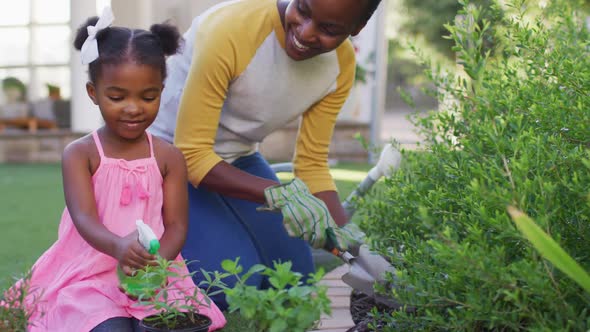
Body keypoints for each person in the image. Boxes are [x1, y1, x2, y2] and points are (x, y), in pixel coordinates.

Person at [5, 8, 226, 331]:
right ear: (94, 93)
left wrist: (156, 269)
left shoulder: (169, 157)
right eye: (117, 96)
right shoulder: (80, 154)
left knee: (172, 323)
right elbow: (84, 219)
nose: (133, 108)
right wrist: (119, 247)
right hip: (90, 272)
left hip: (156, 269)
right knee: (110, 327)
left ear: (161, 92)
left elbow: (177, 225)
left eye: (147, 96)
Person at [149, 0, 378, 310]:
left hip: (236, 156)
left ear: (357, 28)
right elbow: (192, 155)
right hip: (167, 156)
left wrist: (350, 244)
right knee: (227, 282)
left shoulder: (340, 65)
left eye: (328, 29)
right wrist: (280, 194)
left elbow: (311, 164)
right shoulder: (232, 30)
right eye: (304, 10)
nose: (305, 32)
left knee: (296, 277)